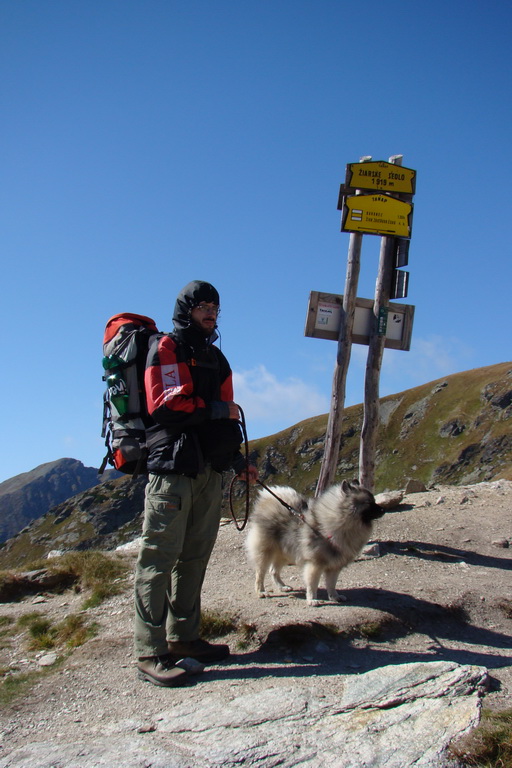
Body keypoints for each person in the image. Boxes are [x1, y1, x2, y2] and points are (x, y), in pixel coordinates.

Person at [135, 280, 258, 687]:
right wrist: (215, 408)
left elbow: (224, 419)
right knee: (158, 559)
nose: (209, 312)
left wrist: (238, 462)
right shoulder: (167, 348)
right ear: (186, 310)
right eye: (202, 305)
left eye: (215, 307)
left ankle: (184, 639)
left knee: (194, 557)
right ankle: (150, 651)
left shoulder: (217, 359)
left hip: (208, 471)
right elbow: (167, 406)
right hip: (171, 471)